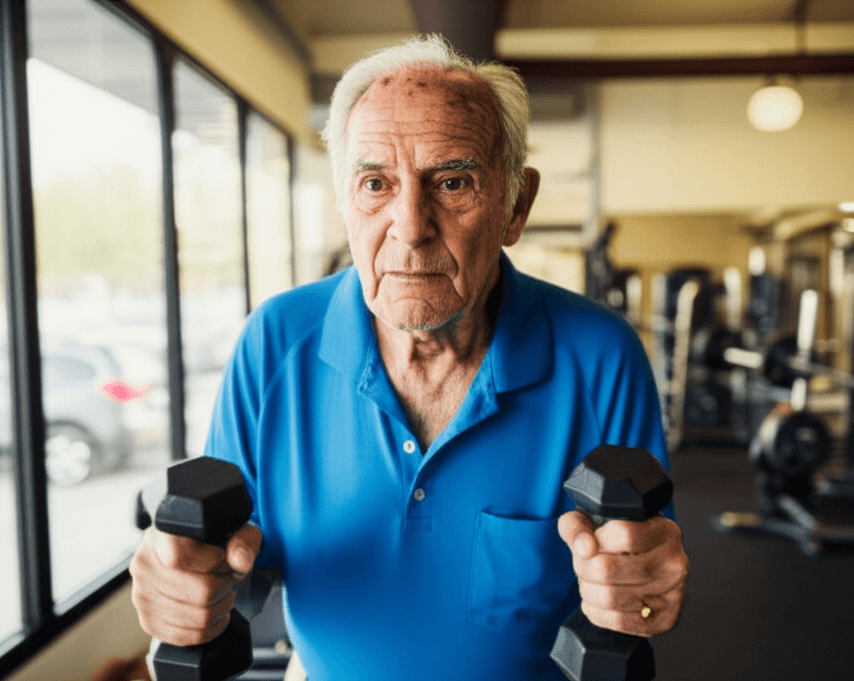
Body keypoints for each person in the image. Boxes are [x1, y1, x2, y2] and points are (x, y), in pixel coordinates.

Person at [129, 35, 688, 680]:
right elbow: (238, 569)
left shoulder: (602, 355)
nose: (410, 225)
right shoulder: (274, 341)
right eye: (375, 183)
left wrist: (644, 595)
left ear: (515, 205)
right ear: (344, 201)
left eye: (452, 182)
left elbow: (638, 577)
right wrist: (184, 587)